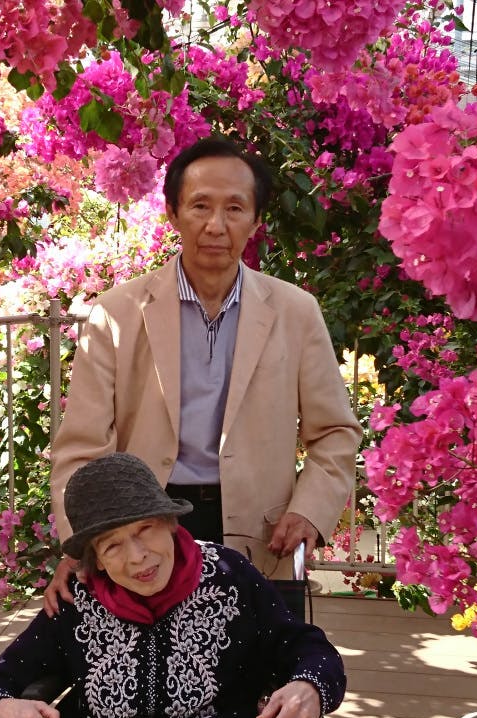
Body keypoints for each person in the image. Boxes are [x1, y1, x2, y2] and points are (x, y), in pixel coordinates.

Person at [46, 136, 362, 613]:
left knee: (257, 659)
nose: (216, 225)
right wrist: (82, 541)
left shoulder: (295, 312)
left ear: (256, 220)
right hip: (143, 531)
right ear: (172, 213)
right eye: (199, 206)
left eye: (234, 208)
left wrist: (309, 510)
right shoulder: (117, 313)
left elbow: (335, 431)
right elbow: (81, 448)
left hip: (260, 534)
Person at [0, 453, 347, 718]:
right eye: (112, 546)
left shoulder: (229, 576)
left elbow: (310, 649)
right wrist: (4, 710)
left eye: (145, 529)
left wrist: (309, 686)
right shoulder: (77, 601)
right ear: (96, 560)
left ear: (170, 522)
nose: (138, 556)